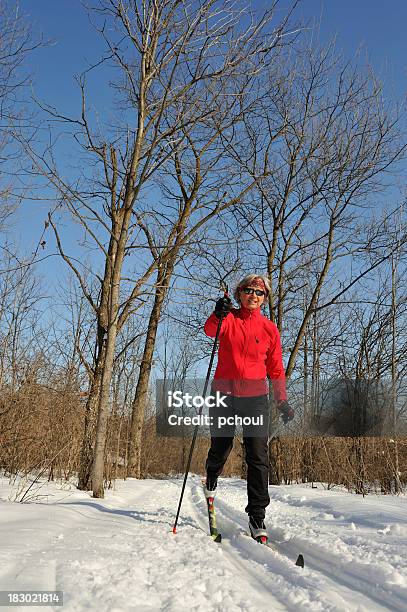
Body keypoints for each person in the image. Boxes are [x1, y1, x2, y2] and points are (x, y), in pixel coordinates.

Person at [203, 274, 294, 541]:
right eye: (248, 290)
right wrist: (217, 313)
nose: (253, 295)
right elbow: (210, 330)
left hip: (255, 399)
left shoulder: (269, 330)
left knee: (258, 454)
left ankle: (257, 516)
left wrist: (281, 400)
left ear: (264, 298)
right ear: (239, 293)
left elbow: (276, 368)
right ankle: (211, 476)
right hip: (224, 394)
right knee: (221, 446)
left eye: (259, 292)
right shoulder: (228, 318)